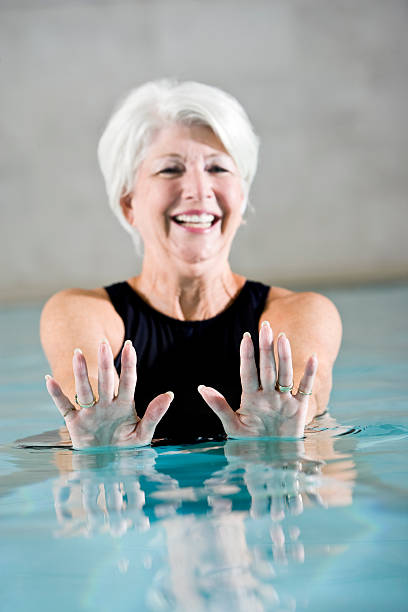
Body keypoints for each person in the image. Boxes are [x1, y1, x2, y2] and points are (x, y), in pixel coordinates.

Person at [40, 79, 342, 449]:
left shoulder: (306, 312)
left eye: (218, 168)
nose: (199, 191)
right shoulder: (81, 311)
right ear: (129, 203)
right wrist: (100, 455)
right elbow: (79, 409)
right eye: (170, 170)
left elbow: (310, 408)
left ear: (242, 198)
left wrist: (282, 446)